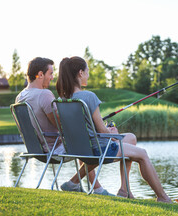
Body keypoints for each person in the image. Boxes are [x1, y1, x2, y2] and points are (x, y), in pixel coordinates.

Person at [56, 56, 172, 203]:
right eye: (87, 71)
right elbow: (102, 131)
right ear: (80, 73)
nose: (88, 74)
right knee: (142, 154)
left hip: (79, 149)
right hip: (99, 149)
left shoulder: (63, 100)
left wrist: (105, 132)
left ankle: (125, 190)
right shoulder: (89, 96)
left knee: (130, 138)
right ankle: (163, 197)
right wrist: (111, 133)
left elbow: (85, 128)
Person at [15, 57, 112, 195]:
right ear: (40, 74)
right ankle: (91, 187)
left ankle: (89, 186)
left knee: (79, 142)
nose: (53, 77)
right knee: (90, 143)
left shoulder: (20, 97)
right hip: (55, 149)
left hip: (37, 149)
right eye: (50, 73)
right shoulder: (44, 94)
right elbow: (64, 126)